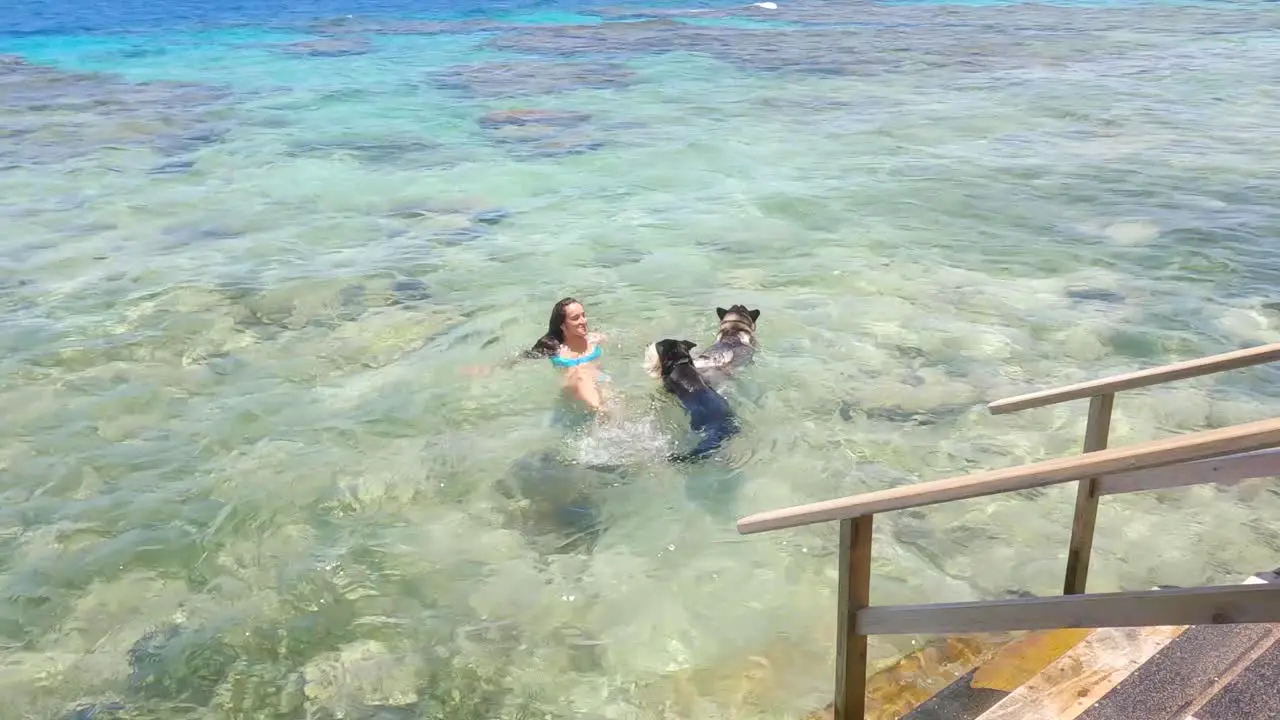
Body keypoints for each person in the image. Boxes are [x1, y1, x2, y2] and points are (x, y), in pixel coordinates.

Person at [525, 297, 611, 416]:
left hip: (601, 383)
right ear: (562, 325)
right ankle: (600, 410)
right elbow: (519, 359)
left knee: (608, 393)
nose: (583, 321)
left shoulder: (596, 339)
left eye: (583, 315)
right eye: (575, 318)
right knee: (580, 372)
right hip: (572, 391)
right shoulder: (554, 349)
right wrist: (492, 368)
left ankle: (603, 411)